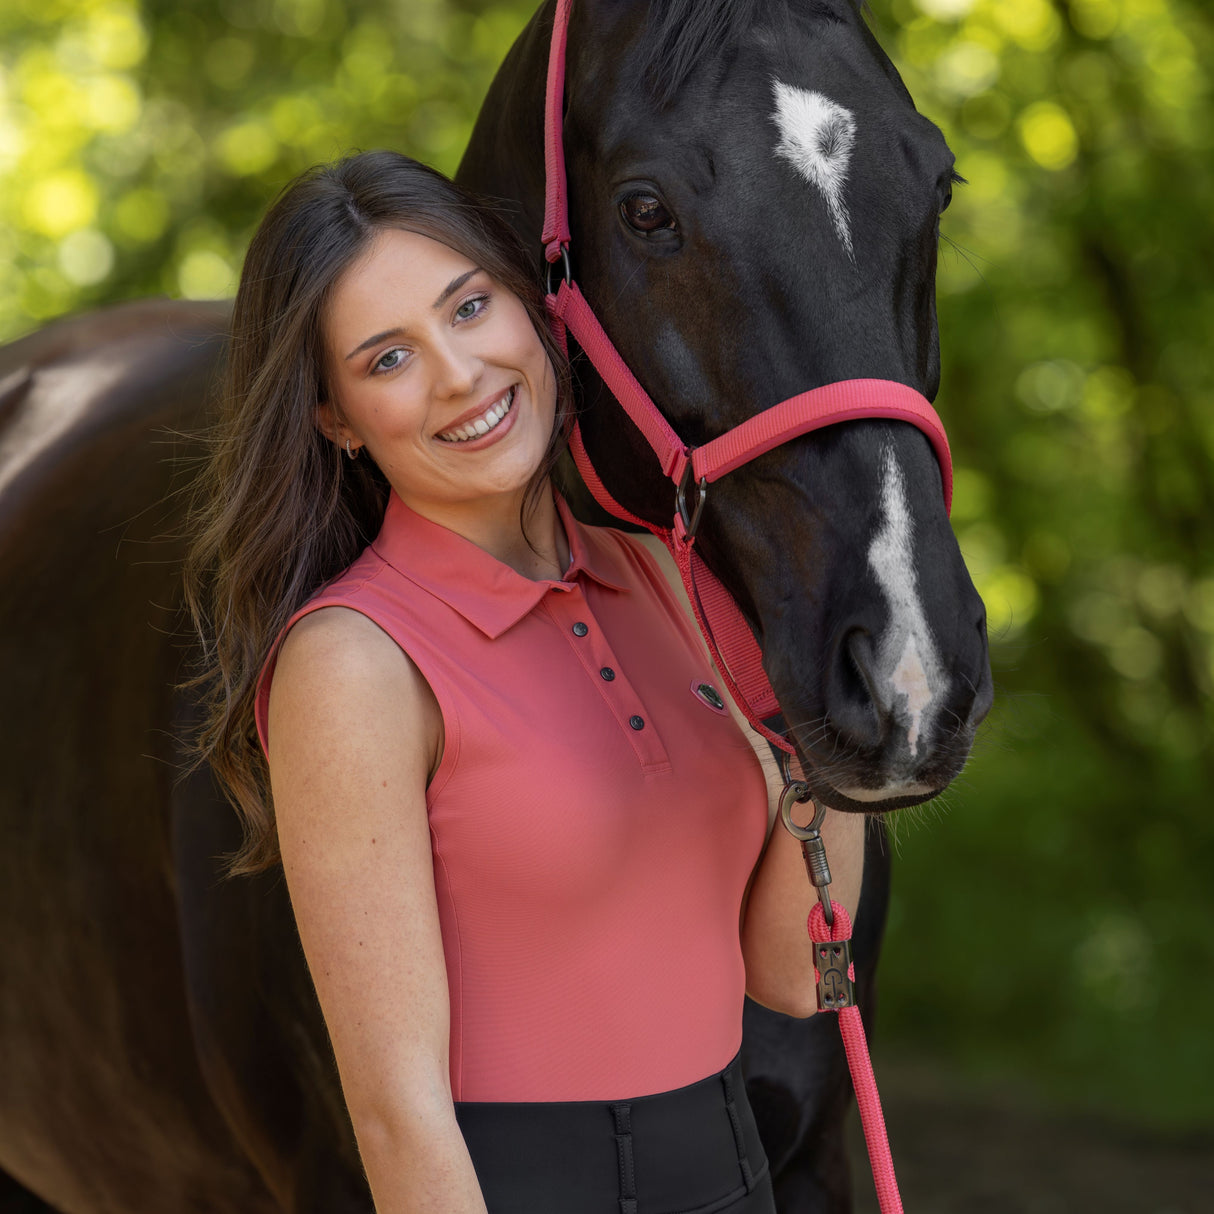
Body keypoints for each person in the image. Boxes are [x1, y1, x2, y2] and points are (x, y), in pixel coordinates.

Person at [186, 149, 863, 1214]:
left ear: (533, 307)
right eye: (387, 358)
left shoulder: (666, 573)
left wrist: (834, 740)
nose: (458, 374)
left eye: (468, 306)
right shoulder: (355, 660)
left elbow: (791, 975)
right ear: (336, 419)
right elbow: (395, 1109)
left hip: (737, 1170)